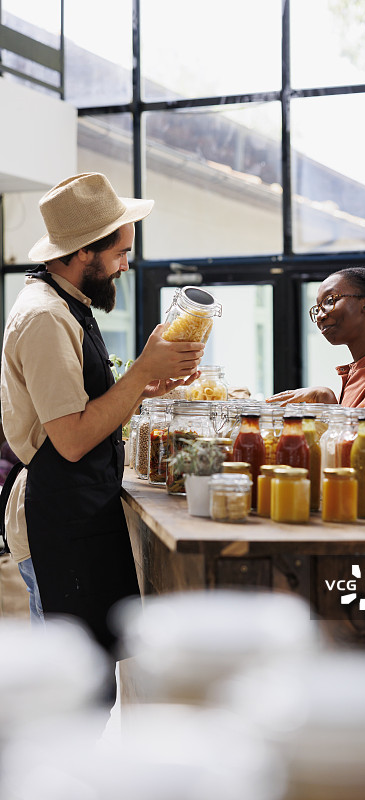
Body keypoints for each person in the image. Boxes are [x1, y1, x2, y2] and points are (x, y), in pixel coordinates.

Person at [0, 172, 204, 657]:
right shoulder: (46, 317)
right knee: (76, 686)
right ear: (84, 251)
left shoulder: (68, 304)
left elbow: (84, 408)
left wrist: (148, 388)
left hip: (80, 513)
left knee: (97, 678)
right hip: (57, 523)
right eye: (120, 254)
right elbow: (70, 439)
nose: (126, 267)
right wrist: (141, 371)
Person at [267, 267, 365, 508]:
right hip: (357, 506)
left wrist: (328, 403)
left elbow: (364, 462)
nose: (320, 315)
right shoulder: (362, 371)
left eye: (330, 301)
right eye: (317, 309)